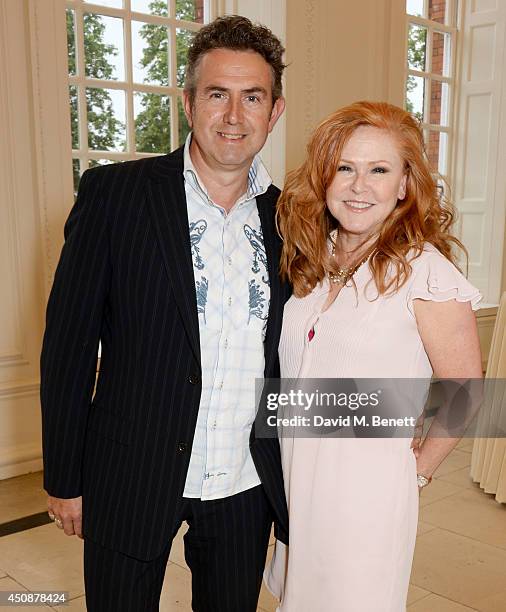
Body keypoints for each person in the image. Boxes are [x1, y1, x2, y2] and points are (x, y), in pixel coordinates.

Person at [40, 15, 289, 612]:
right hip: (129, 474)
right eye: (217, 94)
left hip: (245, 485)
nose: (234, 115)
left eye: (252, 97)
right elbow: (68, 347)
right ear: (188, 102)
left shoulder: (293, 220)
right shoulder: (115, 196)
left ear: (274, 111)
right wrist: (64, 478)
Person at [264, 101, 483, 611]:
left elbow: (465, 389)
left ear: (405, 184)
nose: (359, 186)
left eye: (379, 170)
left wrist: (417, 471)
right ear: (324, 178)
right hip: (297, 485)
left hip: (367, 493)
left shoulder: (425, 271)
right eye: (345, 168)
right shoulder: (310, 259)